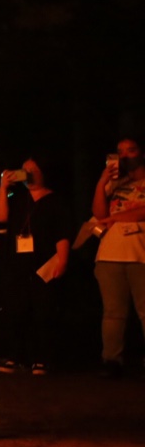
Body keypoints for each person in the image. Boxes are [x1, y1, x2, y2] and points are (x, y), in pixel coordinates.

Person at [0, 156, 71, 375]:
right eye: (23, 169)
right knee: (16, 310)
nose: (26, 173)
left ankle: (43, 358)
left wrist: (63, 259)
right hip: (17, 263)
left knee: (43, 312)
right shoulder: (18, 198)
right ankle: (17, 356)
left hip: (44, 263)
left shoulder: (55, 201)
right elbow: (0, 219)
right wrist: (3, 188)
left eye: (31, 170)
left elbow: (62, 233)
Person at [91, 144, 145, 379]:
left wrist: (116, 218)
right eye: (120, 152)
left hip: (141, 252)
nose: (124, 156)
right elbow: (99, 214)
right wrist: (102, 182)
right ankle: (111, 360)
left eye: (130, 150)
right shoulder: (116, 184)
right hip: (110, 253)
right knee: (113, 312)